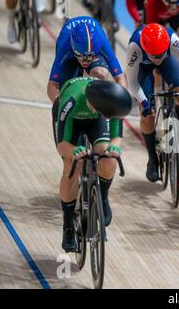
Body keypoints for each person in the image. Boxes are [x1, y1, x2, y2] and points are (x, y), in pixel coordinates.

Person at [53, 77, 132, 252]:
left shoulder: (112, 101)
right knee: (72, 166)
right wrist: (74, 151)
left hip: (96, 117)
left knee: (107, 155)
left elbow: (116, 139)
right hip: (73, 118)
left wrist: (113, 149)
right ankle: (67, 225)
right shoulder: (71, 102)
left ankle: (101, 198)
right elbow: (62, 146)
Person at [125, 23, 179, 182]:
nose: (157, 59)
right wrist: (143, 102)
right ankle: (152, 160)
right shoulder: (134, 48)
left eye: (160, 54)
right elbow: (131, 81)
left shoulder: (174, 41)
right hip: (143, 68)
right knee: (147, 115)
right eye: (154, 56)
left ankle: (178, 118)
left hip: (169, 61)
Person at [47, 16, 127, 104]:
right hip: (70, 57)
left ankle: (100, 108)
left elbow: (120, 77)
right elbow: (52, 85)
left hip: (88, 48)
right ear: (73, 48)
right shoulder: (64, 45)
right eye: (82, 57)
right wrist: (60, 106)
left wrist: (118, 103)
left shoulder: (102, 41)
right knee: (67, 92)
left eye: (91, 57)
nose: (86, 61)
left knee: (101, 74)